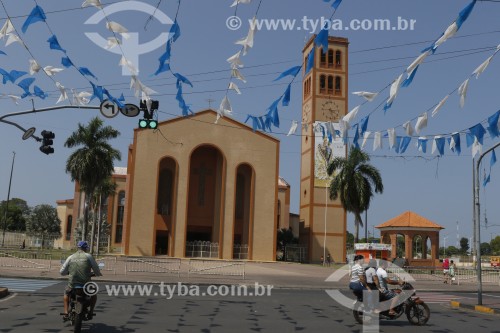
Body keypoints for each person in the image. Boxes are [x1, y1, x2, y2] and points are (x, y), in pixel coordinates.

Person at [60, 241, 102, 321]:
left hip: (72, 284)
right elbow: (96, 269)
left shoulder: (70, 257)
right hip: (86, 285)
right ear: (86, 248)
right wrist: (97, 273)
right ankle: (91, 311)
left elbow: (62, 272)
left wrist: (67, 273)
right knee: (94, 294)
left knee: (66, 293)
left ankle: (65, 312)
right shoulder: (89, 256)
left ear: (78, 248)